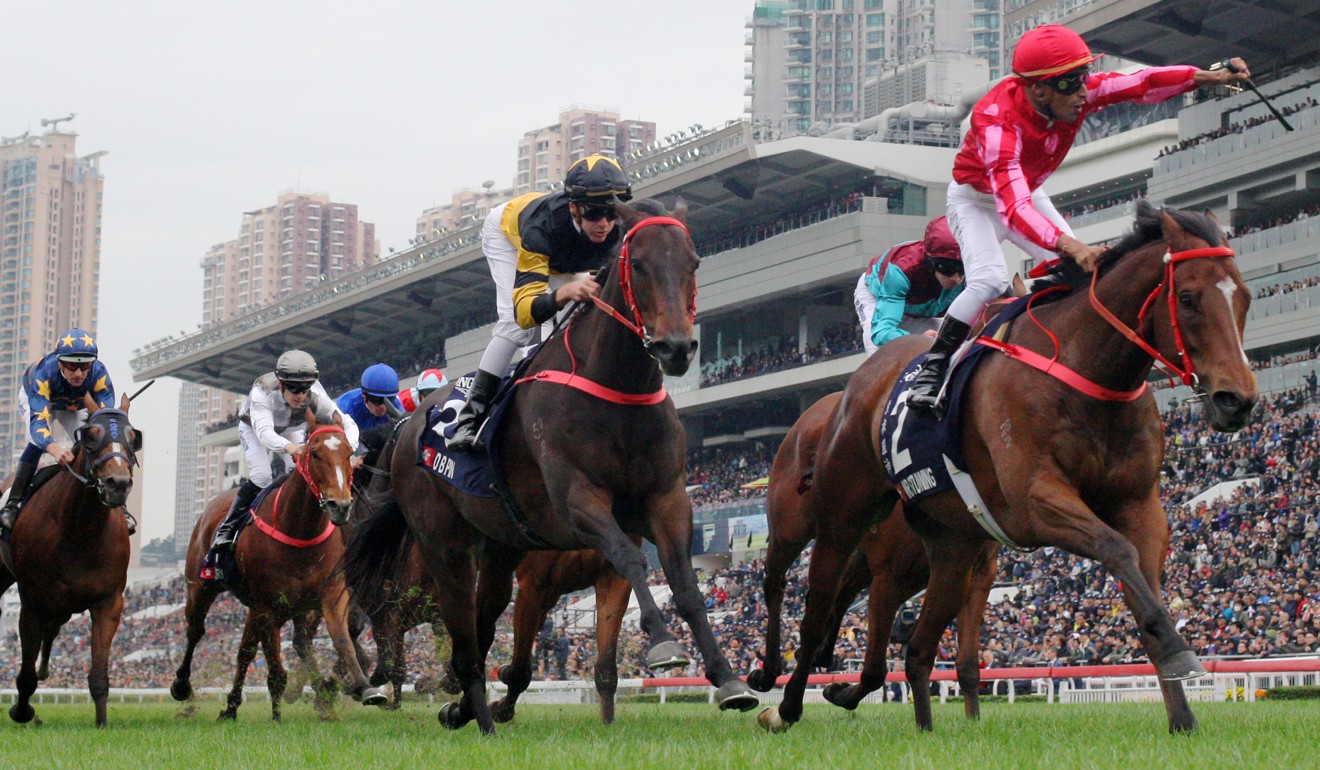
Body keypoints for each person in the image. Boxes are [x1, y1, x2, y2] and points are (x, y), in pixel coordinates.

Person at [906, 23, 1253, 412]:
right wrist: (1071, 245)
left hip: (1025, 191)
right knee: (989, 278)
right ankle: (933, 368)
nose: (1084, 90)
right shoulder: (996, 122)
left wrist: (1209, 76)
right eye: (1072, 83)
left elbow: (1141, 82)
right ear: (1039, 89)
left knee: (1084, 277)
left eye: (1084, 77)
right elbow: (1013, 209)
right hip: (977, 201)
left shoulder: (1075, 94)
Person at [447, 154, 632, 452]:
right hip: (508, 236)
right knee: (514, 327)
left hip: (565, 256)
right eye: (595, 214)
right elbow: (524, 313)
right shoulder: (540, 229)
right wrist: (564, 293)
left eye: (612, 213)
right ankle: (470, 418)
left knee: (577, 319)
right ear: (574, 208)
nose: (604, 224)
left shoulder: (618, 230)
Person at [206, 350, 360, 560]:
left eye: (304, 389)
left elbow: (347, 422)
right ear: (281, 384)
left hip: (290, 426)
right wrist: (291, 448)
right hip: (254, 428)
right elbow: (265, 433)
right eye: (294, 389)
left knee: (299, 473)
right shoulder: (263, 393)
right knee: (262, 476)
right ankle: (227, 529)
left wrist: (348, 447)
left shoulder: (316, 394)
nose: (300, 395)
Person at [1, 329, 134, 534]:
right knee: (37, 443)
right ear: (60, 362)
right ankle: (12, 504)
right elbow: (39, 423)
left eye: (84, 366)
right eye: (72, 366)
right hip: (41, 403)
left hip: (75, 406)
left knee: (96, 440)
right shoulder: (43, 375)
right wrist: (54, 449)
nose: (79, 373)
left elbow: (104, 422)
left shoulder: (100, 375)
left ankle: (120, 506)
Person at [854, 216, 965, 355]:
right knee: (881, 354)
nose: (956, 278)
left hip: (924, 310)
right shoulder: (903, 269)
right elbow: (882, 333)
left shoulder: (977, 273)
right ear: (931, 261)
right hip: (878, 300)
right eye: (947, 267)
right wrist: (918, 341)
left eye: (962, 268)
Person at [336, 362, 403, 433]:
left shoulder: (395, 405)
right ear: (364, 396)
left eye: (389, 400)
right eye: (377, 401)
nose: (383, 406)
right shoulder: (346, 407)